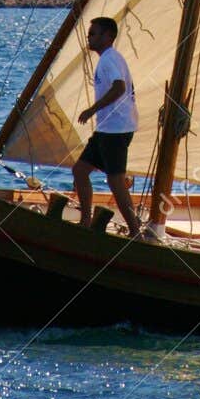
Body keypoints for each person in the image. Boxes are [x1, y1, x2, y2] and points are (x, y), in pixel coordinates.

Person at [72, 17, 141, 239]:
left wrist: (92, 109)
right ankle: (86, 221)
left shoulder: (109, 60)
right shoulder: (109, 59)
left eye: (93, 33)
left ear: (108, 37)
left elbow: (119, 88)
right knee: (80, 170)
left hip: (116, 129)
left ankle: (135, 231)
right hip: (108, 128)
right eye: (89, 33)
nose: (89, 37)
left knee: (115, 180)